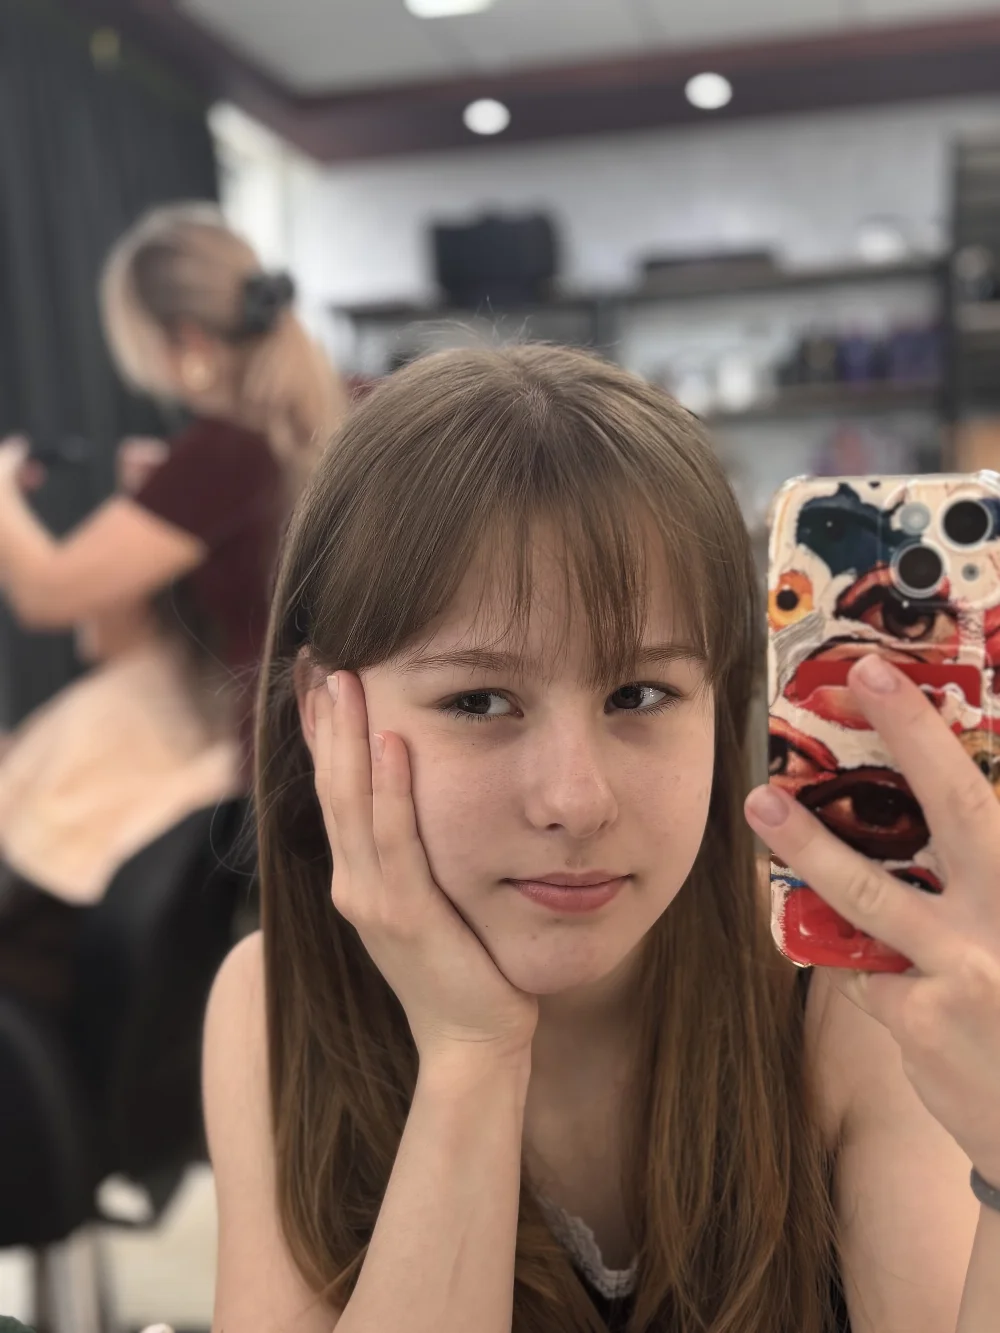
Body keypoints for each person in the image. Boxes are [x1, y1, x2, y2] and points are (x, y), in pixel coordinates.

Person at [203, 345, 1000, 1333]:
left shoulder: (842, 1000)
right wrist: (470, 1055)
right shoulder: (272, 1006)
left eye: (640, 693)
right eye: (480, 700)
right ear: (325, 714)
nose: (575, 800)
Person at [0, 202, 347, 783]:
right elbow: (112, 641)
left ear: (187, 341)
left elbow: (47, 594)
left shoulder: (221, 452)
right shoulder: (357, 404)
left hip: (284, 769)